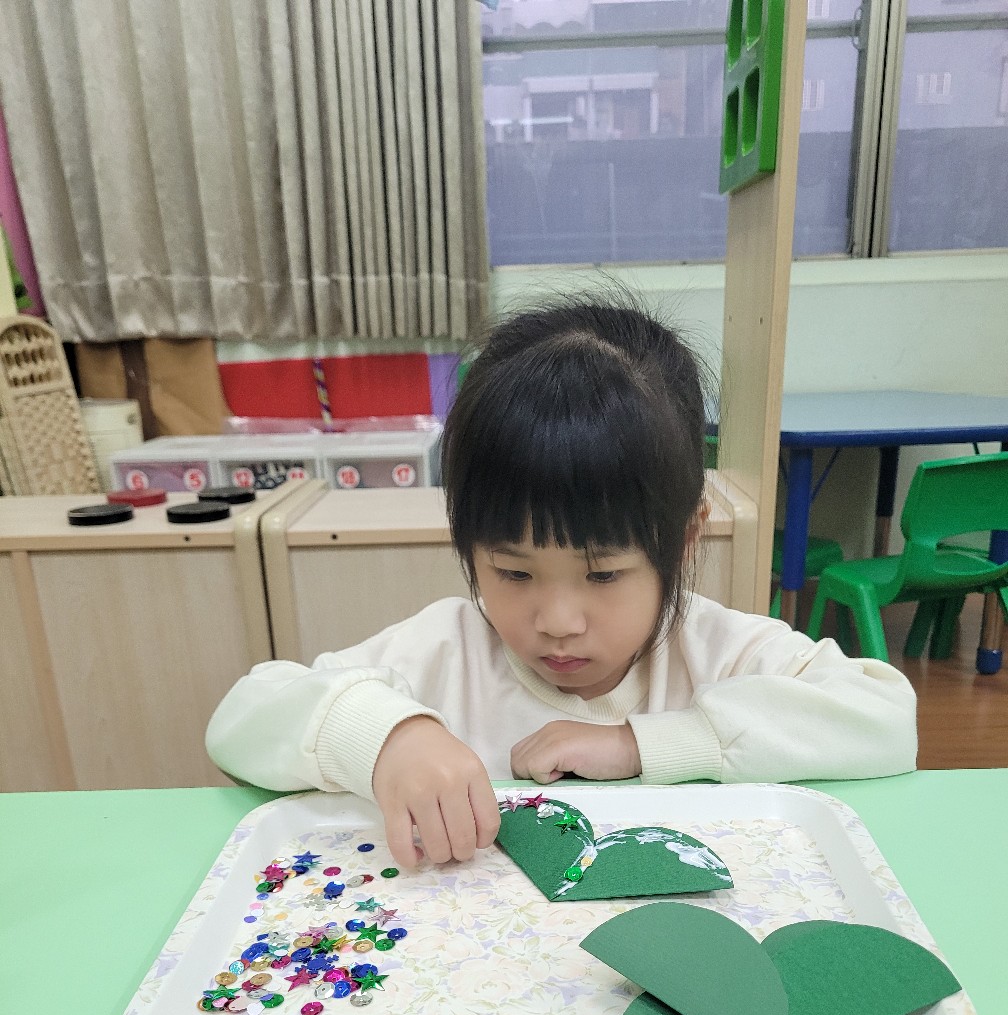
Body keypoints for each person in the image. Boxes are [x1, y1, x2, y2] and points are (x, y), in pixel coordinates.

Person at [206, 297, 917, 869]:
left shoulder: (716, 651)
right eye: (513, 571)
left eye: (603, 573)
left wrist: (643, 746)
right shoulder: (445, 652)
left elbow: (885, 719)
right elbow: (242, 718)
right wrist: (385, 738)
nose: (557, 620)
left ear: (684, 538)